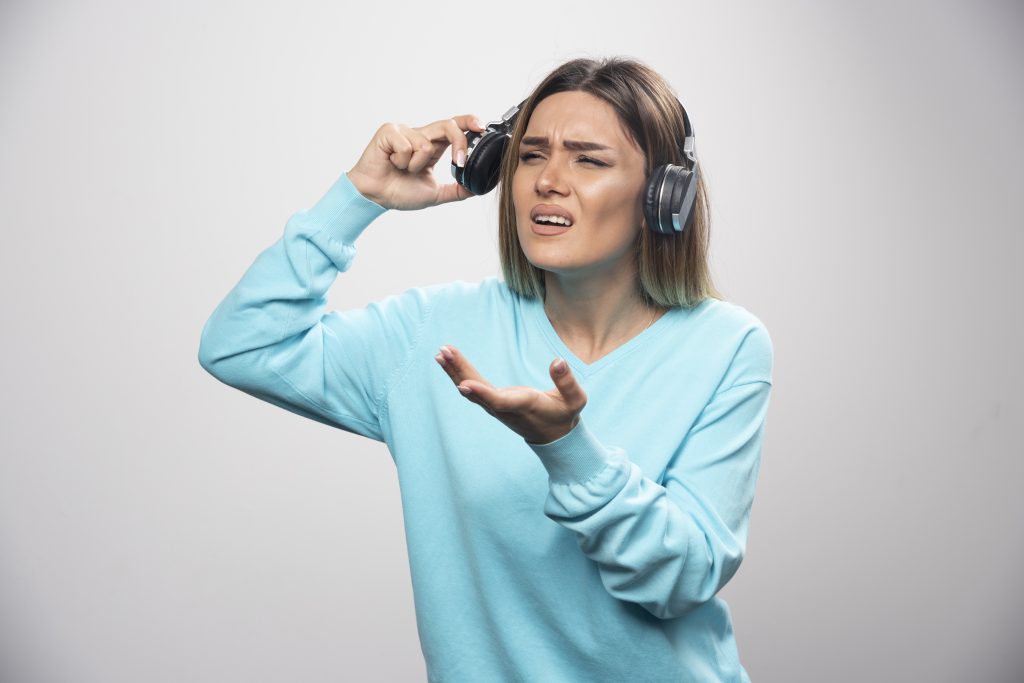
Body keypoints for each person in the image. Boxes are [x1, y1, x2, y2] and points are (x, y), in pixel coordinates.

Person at [198, 56, 773, 683]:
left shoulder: (728, 345)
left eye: (589, 159)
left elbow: (681, 579)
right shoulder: (432, 331)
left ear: (663, 197)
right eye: (530, 155)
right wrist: (358, 200)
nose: (548, 181)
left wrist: (567, 449)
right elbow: (241, 346)